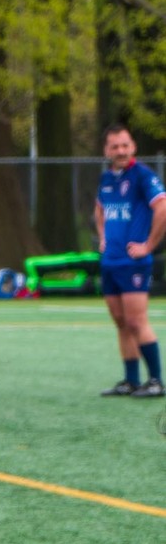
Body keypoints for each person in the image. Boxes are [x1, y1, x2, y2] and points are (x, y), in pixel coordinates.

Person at [95, 123, 166, 398]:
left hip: (133, 263)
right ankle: (131, 380)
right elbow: (99, 210)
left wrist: (148, 245)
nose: (121, 151)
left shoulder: (143, 176)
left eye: (125, 145)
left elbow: (162, 208)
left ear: (133, 146)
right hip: (110, 261)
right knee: (121, 322)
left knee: (136, 321)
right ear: (106, 150)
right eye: (115, 146)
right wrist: (103, 237)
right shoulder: (106, 178)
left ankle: (156, 381)